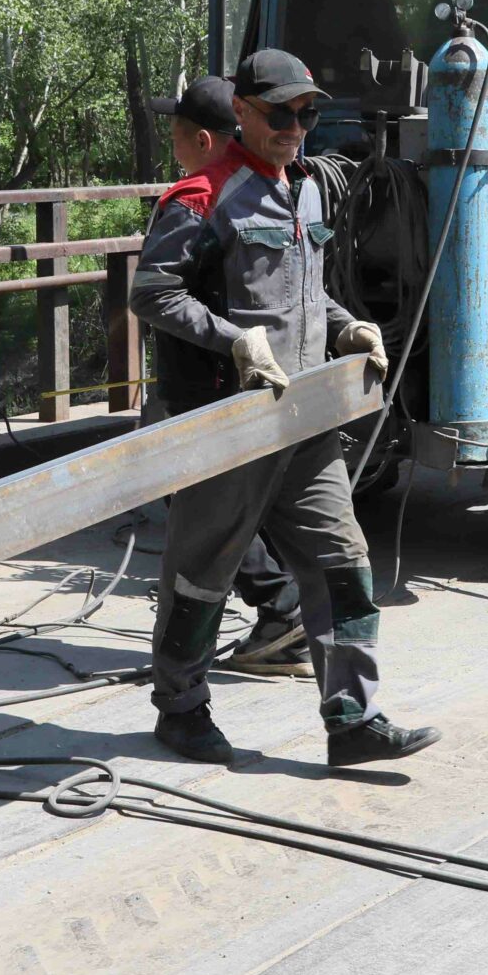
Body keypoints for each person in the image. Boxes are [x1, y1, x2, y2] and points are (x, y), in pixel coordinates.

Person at [130, 48, 443, 768]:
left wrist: (343, 325)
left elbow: (304, 289)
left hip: (303, 419)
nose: (296, 127)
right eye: (281, 114)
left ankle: (352, 719)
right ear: (241, 111)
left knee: (343, 560)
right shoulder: (201, 199)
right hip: (230, 424)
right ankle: (180, 710)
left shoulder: (303, 189)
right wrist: (234, 340)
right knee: (201, 572)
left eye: (307, 114)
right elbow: (153, 292)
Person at [148, 76, 310, 677]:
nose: (174, 145)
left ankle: (275, 614)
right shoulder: (271, 195)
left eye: (179, 135)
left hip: (204, 392)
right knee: (226, 509)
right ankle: (282, 618)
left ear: (206, 139)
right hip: (245, 386)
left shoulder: (201, 197)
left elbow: (156, 294)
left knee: (205, 520)